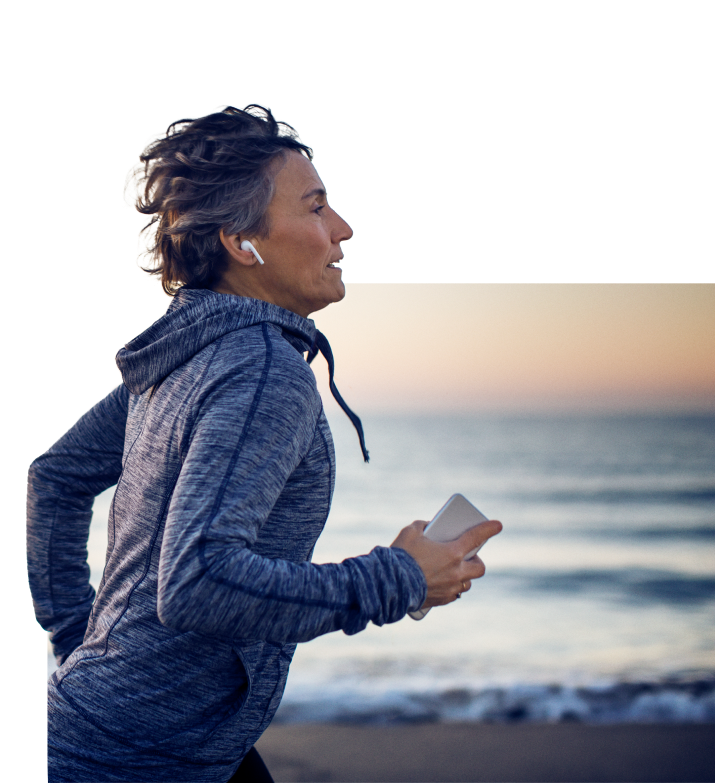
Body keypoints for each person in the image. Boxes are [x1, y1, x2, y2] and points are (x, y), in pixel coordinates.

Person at [31, 103, 502, 783]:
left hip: (122, 729)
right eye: (315, 208)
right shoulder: (260, 370)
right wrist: (398, 578)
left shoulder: (186, 352)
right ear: (241, 241)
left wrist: (80, 644)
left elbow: (54, 477)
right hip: (139, 762)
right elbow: (199, 581)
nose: (342, 229)